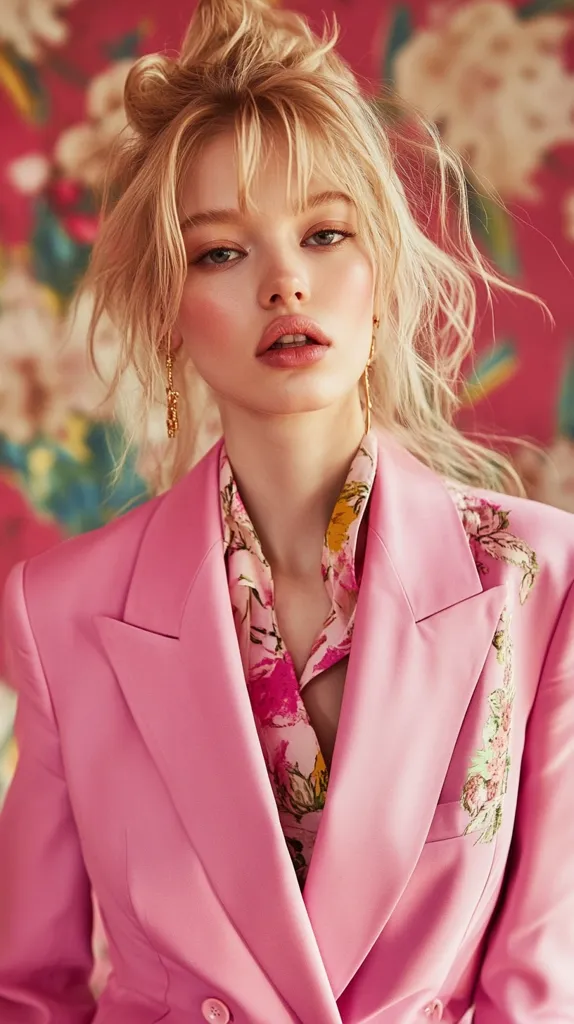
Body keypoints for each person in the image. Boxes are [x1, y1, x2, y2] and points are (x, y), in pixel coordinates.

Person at [0, 0, 573, 1020]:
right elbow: (23, 990)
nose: (285, 283)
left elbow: (542, 986)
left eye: (324, 234)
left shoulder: (537, 578)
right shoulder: (61, 611)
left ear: (381, 275)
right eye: (222, 252)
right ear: (169, 310)